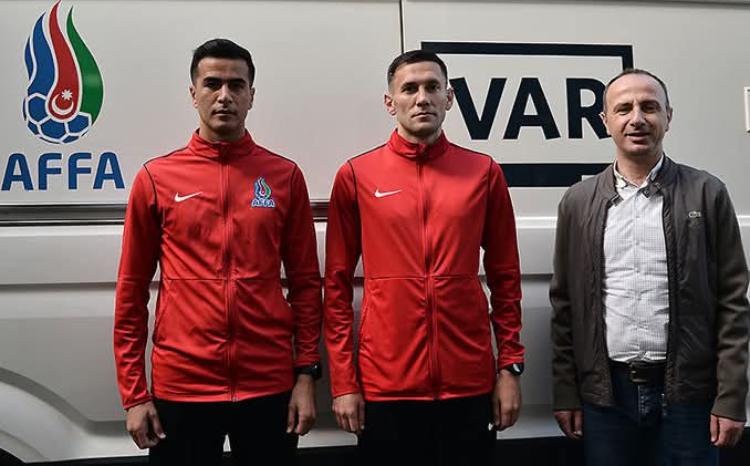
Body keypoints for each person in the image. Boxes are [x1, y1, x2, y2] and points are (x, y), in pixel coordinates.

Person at [113, 38, 322, 466]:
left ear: (251, 95)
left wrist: (305, 375)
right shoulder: (157, 178)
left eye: (236, 85)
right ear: (194, 94)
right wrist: (134, 394)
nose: (224, 95)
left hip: (268, 385)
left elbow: (305, 285)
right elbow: (131, 292)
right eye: (212, 84)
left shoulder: (284, 176)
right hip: (183, 386)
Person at [324, 49, 524, 466]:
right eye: (409, 89)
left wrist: (509, 369)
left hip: (468, 384)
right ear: (390, 101)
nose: (422, 98)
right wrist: (344, 382)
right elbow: (336, 288)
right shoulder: (357, 175)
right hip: (386, 386)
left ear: (449, 98)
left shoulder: (483, 172)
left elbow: (506, 279)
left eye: (433, 87)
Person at [550, 68, 749, 466]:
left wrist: (731, 397)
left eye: (649, 107)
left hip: (689, 396)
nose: (637, 118)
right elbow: (565, 305)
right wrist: (566, 392)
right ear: (605, 121)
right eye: (623, 108)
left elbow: (732, 302)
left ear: (668, 117)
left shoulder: (706, 193)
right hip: (606, 397)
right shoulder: (578, 202)